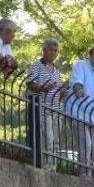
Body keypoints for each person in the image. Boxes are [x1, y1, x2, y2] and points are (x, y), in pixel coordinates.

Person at [66, 45, 94, 181]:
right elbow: (76, 81)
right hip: (77, 110)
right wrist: (78, 89)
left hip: (93, 113)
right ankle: (85, 174)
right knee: (86, 143)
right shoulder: (81, 65)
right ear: (90, 56)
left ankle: (89, 170)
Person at [26, 38, 67, 171]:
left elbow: (58, 90)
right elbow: (30, 84)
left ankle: (53, 167)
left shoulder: (57, 71)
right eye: (50, 50)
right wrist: (42, 88)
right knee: (47, 138)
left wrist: (63, 92)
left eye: (55, 51)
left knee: (56, 140)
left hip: (56, 109)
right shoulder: (36, 65)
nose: (53, 53)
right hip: (43, 108)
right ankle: (45, 166)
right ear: (44, 50)